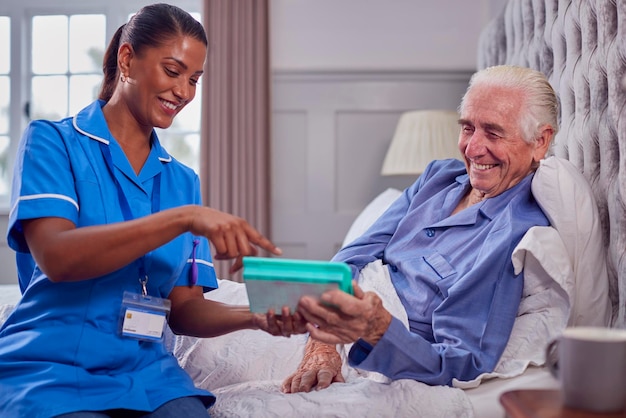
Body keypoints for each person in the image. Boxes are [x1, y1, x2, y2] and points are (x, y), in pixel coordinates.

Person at [0, 4, 304, 417]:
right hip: (50, 367)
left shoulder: (182, 181)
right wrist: (182, 219)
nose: (184, 92)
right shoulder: (52, 142)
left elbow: (184, 310)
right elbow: (57, 258)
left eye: (194, 79)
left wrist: (258, 316)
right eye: (173, 71)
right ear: (127, 60)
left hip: (147, 374)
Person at [282, 65, 558, 393]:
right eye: (468, 128)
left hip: (371, 348)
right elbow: (355, 253)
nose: (472, 149)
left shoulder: (513, 234)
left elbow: (462, 361)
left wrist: (377, 330)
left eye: (494, 132)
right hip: (325, 324)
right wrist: (321, 342)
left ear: (540, 141)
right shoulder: (438, 177)